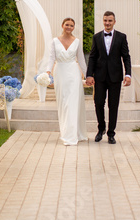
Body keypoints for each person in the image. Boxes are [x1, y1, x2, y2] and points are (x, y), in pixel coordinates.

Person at [86, 11, 131, 144]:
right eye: (105, 20)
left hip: (115, 77)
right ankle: (101, 129)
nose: (107, 23)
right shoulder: (96, 37)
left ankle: (111, 133)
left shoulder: (122, 37)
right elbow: (92, 57)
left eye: (110, 21)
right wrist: (89, 75)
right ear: (103, 21)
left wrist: (128, 74)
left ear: (114, 22)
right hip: (99, 77)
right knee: (98, 103)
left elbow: (126, 56)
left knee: (113, 105)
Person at [46, 17, 88, 146]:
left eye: (71, 25)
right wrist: (48, 72)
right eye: (67, 25)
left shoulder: (77, 42)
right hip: (60, 73)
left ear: (73, 27)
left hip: (73, 74)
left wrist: (88, 76)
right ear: (62, 25)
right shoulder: (54, 41)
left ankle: (72, 136)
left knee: (72, 103)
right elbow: (51, 57)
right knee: (63, 103)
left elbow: (81, 60)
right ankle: (66, 132)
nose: (69, 27)